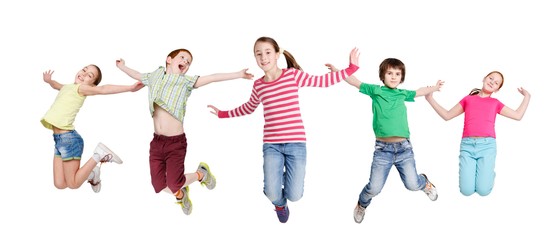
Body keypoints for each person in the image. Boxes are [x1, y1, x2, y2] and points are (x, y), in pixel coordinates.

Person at [207, 36, 360, 223]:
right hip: (272, 145)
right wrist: (223, 114)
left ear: (277, 54)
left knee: (295, 195)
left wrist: (350, 69)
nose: (263, 57)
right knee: (272, 193)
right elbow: (248, 107)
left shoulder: (292, 75)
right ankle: (280, 204)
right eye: (259, 54)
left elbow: (322, 81)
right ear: (255, 58)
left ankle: (281, 181)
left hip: (296, 144)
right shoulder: (259, 85)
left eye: (268, 52)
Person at [116, 49, 253, 215]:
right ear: (169, 59)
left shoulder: (185, 82)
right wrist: (122, 66)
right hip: (157, 142)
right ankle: (181, 195)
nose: (186, 63)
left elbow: (212, 78)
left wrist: (238, 74)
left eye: (188, 62)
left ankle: (201, 174)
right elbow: (137, 75)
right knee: (158, 185)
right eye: (183, 58)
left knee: (174, 183)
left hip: (175, 143)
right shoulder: (154, 76)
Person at [327, 58, 443, 224]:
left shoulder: (403, 94)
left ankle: (424, 183)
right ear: (383, 75)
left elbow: (420, 91)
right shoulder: (375, 90)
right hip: (383, 150)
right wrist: (339, 72)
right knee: (374, 188)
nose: (394, 77)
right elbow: (355, 82)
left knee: (412, 184)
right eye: (390, 73)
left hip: (404, 148)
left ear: (401, 77)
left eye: (397, 74)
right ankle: (362, 204)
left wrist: (435, 88)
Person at [424, 71, 531, 196]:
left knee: (483, 191)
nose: (492, 82)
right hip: (467, 146)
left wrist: (527, 97)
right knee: (466, 191)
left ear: (497, 89)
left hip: (487, 146)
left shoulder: (495, 103)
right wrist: (430, 98)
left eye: (496, 83)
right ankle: (480, 172)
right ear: (484, 78)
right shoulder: (468, 99)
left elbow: (518, 115)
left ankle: (487, 172)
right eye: (491, 78)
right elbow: (447, 115)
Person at [42, 64, 144, 193]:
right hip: (58, 140)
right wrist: (49, 81)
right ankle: (91, 173)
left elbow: (103, 89)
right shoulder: (68, 87)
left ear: (91, 85)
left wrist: (130, 88)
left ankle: (99, 154)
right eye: (84, 70)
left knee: (73, 184)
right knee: (60, 184)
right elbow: (57, 86)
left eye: (89, 75)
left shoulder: (82, 88)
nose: (84, 74)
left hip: (69, 140)